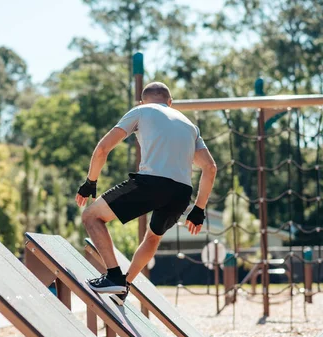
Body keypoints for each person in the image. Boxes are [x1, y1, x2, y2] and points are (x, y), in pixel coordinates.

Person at [75, 81, 217, 305]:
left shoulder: (141, 111)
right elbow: (210, 168)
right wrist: (198, 209)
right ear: (170, 103)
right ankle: (124, 286)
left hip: (152, 183)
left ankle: (113, 275)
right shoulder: (190, 125)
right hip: (182, 192)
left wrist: (90, 181)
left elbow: (103, 148)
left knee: (91, 216)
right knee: (152, 238)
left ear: (142, 101)